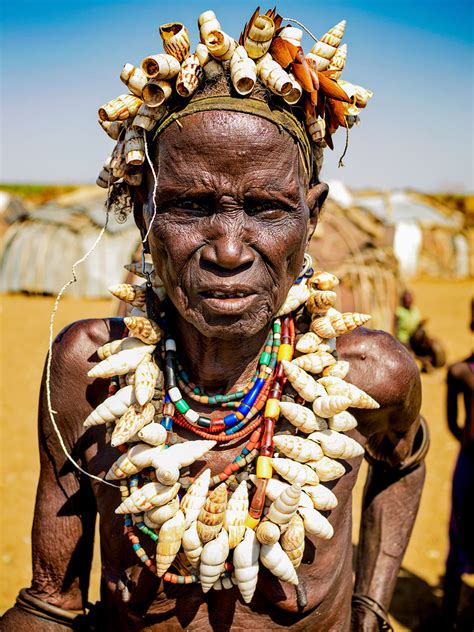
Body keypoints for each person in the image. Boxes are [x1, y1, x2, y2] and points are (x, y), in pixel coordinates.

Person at [0, 8, 427, 631]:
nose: (229, 249)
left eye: (265, 209)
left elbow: (405, 463)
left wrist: (370, 604)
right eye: (192, 206)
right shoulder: (88, 372)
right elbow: (50, 602)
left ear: (312, 216)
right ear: (144, 205)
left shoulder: (368, 374)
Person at [442, 299, 474, 629]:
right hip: (470, 465)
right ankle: (448, 616)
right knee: (460, 531)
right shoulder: (460, 372)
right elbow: (453, 423)